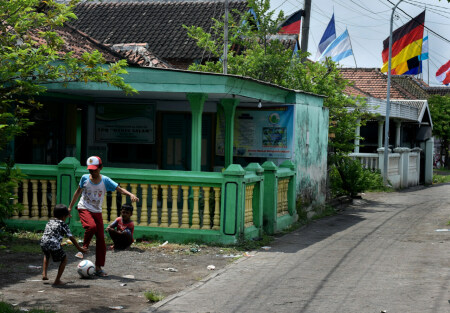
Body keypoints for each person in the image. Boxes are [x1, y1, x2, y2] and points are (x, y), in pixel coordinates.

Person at [68, 156, 139, 277]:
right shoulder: (84, 178)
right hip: (84, 208)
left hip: (97, 211)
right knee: (91, 226)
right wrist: (70, 207)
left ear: (101, 168)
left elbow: (119, 189)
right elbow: (78, 192)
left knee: (101, 239)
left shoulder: (105, 180)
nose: (92, 172)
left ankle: (98, 268)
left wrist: (130, 194)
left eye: (95, 170)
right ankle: (83, 249)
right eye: (90, 170)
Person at [40, 204, 88, 286]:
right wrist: (79, 248)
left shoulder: (50, 222)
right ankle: (57, 280)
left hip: (43, 242)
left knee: (46, 255)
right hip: (53, 244)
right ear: (63, 217)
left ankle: (44, 274)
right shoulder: (63, 224)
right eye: (66, 217)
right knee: (64, 259)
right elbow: (71, 237)